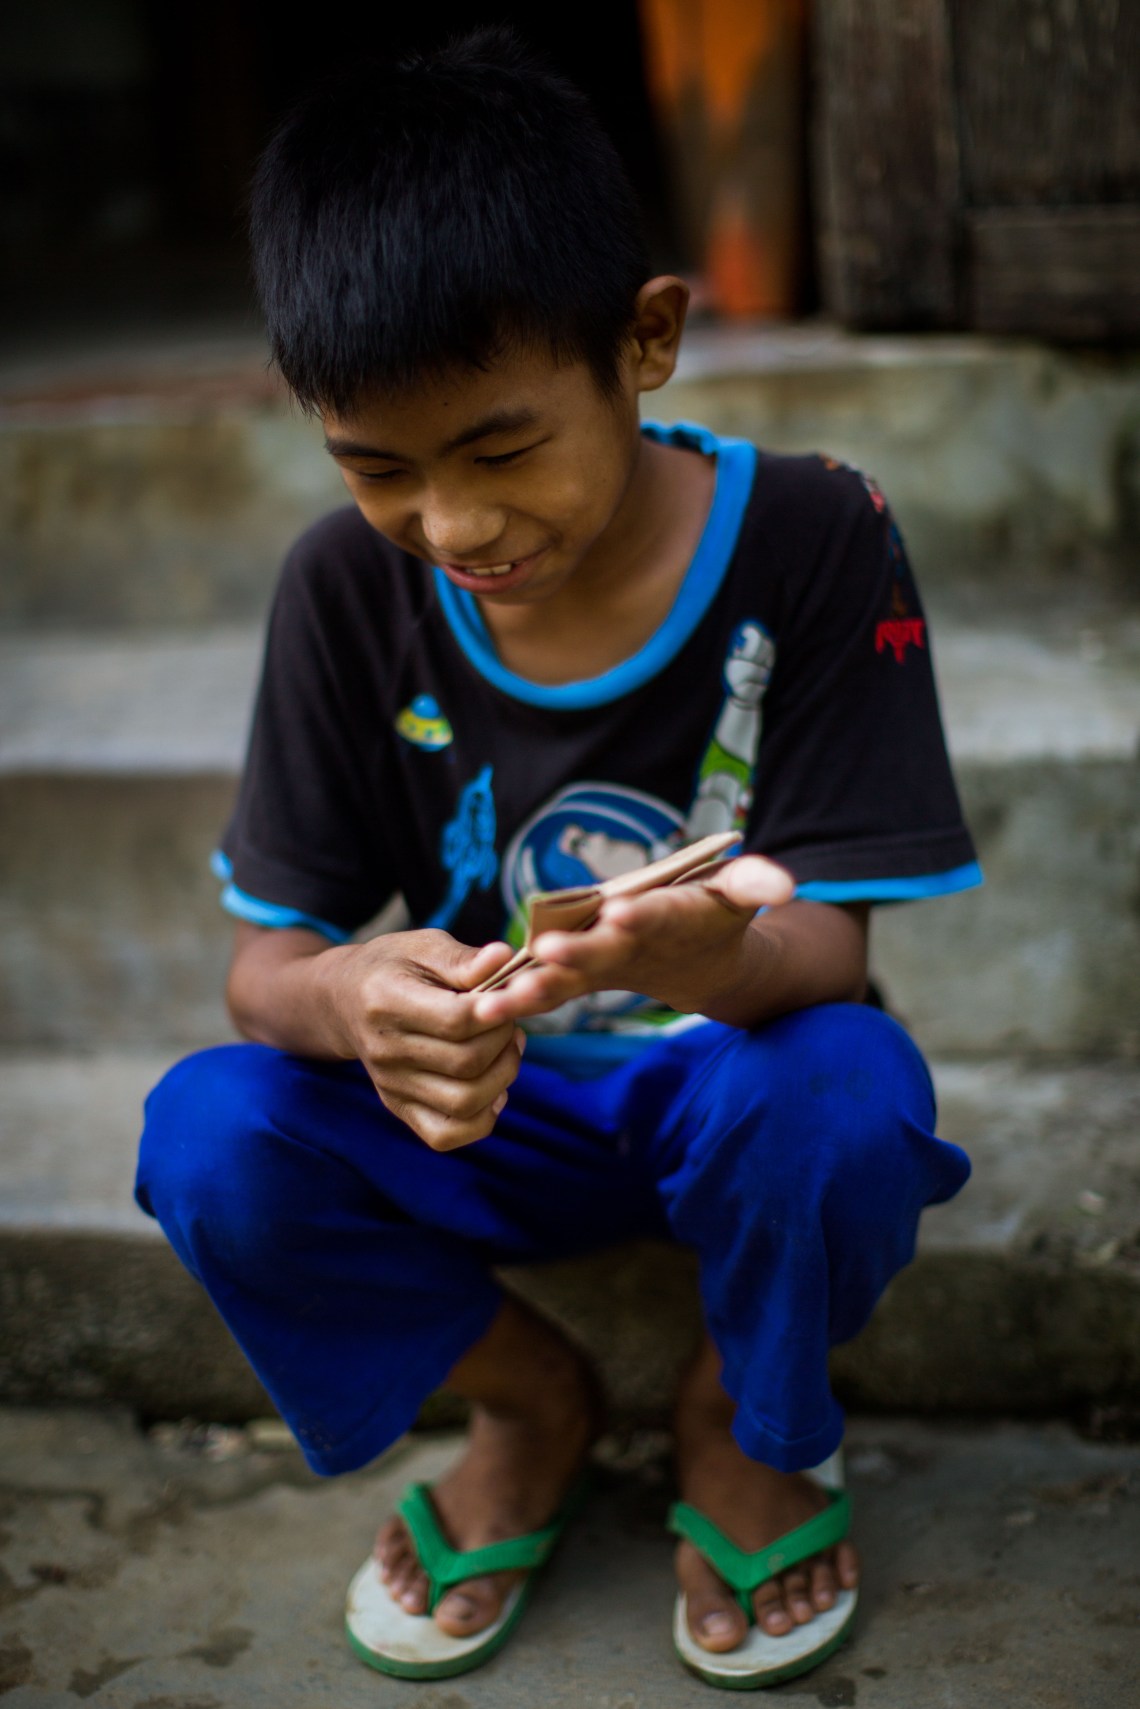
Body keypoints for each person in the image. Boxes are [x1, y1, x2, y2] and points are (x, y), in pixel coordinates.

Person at [136, 25, 980, 1690]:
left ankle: (740, 1414)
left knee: (850, 1093)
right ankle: (527, 1403)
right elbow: (265, 967)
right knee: (209, 1134)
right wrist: (353, 995)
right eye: (379, 468)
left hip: (728, 1078)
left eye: (501, 449)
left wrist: (719, 960)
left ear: (646, 339)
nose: (451, 527)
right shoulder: (342, 590)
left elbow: (832, 951)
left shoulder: (817, 531)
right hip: (482, 1107)